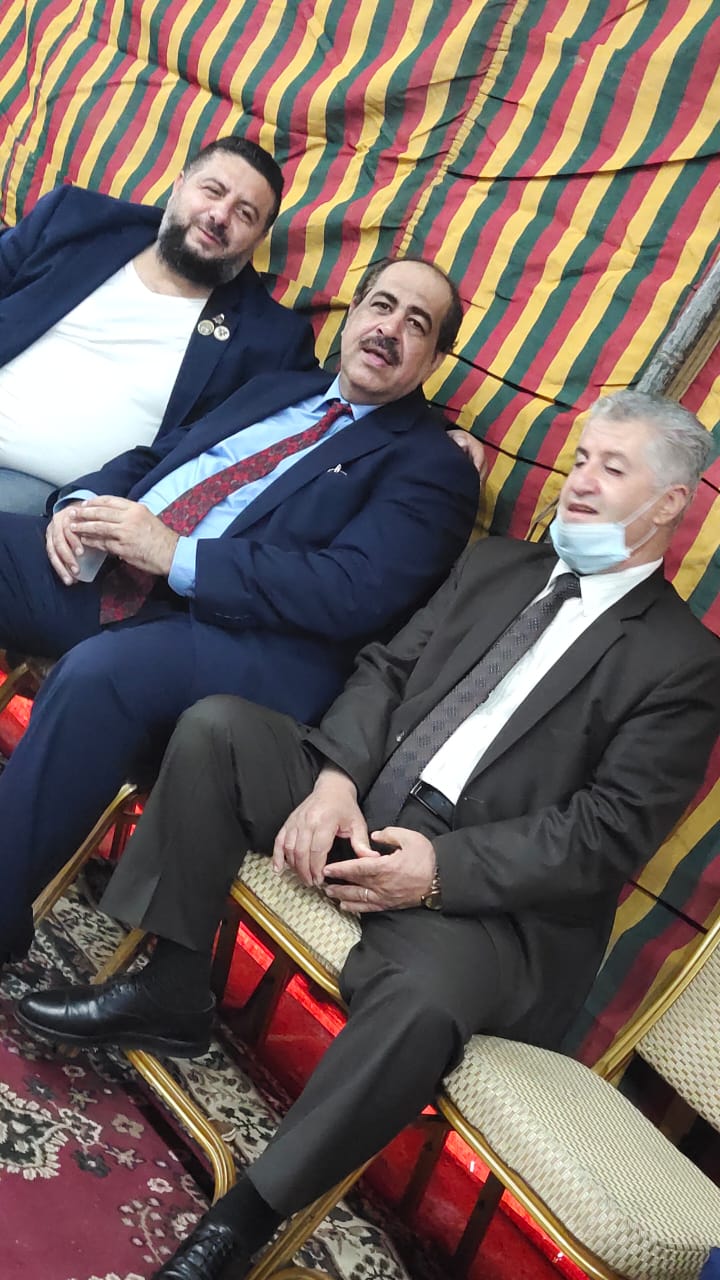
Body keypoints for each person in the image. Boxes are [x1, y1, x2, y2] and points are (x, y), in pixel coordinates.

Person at [17, 391, 720, 1280]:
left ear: (669, 503)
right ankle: (173, 984)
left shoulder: (682, 663)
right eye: (581, 459)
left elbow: (605, 834)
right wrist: (337, 780)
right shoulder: (498, 566)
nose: (580, 481)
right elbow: (385, 669)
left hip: (489, 896)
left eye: (611, 469)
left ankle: (250, 1213)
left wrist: (439, 870)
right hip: (369, 797)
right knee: (219, 729)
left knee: (424, 1001)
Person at [0, 254, 480, 961]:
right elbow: (159, 457)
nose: (390, 329)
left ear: (435, 359)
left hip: (241, 640)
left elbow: (349, 590)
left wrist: (176, 553)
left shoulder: (432, 466)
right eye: (381, 305)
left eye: (417, 325)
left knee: (101, 676)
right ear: (352, 314)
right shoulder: (278, 388)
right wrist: (81, 503)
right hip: (117, 577)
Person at [0, 135, 318, 513]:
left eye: (244, 214)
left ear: (259, 239)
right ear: (179, 185)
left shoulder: (270, 340)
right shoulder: (77, 220)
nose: (220, 215)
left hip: (46, 498)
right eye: (213, 191)